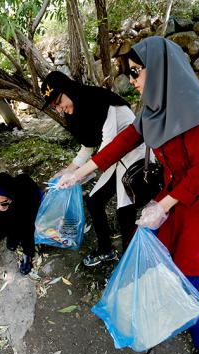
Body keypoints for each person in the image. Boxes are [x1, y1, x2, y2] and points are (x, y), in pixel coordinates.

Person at [58, 36, 199, 354]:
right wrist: (77, 173)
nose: (132, 80)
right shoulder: (154, 110)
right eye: (130, 73)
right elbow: (120, 143)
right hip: (177, 198)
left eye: (136, 72)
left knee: (185, 282)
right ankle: (159, 316)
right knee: (163, 259)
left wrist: (162, 205)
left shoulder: (195, 113)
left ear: (159, 70)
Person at [41, 71, 146, 267]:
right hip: (113, 157)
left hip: (133, 151)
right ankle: (106, 250)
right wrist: (68, 170)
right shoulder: (73, 113)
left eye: (59, 101)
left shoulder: (96, 99)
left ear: (68, 89)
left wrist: (77, 175)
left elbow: (108, 148)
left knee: (124, 207)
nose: (59, 108)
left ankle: (131, 259)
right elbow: (88, 146)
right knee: (95, 201)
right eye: (55, 106)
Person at [0, 172, 42, 276]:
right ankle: (12, 236)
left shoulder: (25, 197)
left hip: (28, 201)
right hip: (13, 206)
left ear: (11, 195)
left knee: (25, 225)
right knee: (0, 220)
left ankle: (26, 256)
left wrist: (28, 252)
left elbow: (28, 227)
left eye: (4, 203)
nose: (0, 208)